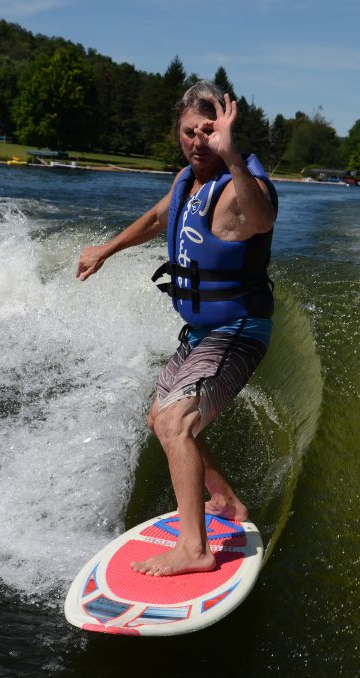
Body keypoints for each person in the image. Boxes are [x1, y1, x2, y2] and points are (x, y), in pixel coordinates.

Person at [76, 81, 277, 577]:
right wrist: (106, 249)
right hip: (201, 334)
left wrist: (232, 157)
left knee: (176, 423)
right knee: (158, 419)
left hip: (238, 328)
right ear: (178, 133)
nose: (198, 141)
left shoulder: (239, 185)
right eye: (190, 132)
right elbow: (154, 220)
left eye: (210, 132)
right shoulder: (186, 181)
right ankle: (225, 501)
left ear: (225, 132)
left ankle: (195, 549)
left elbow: (263, 218)